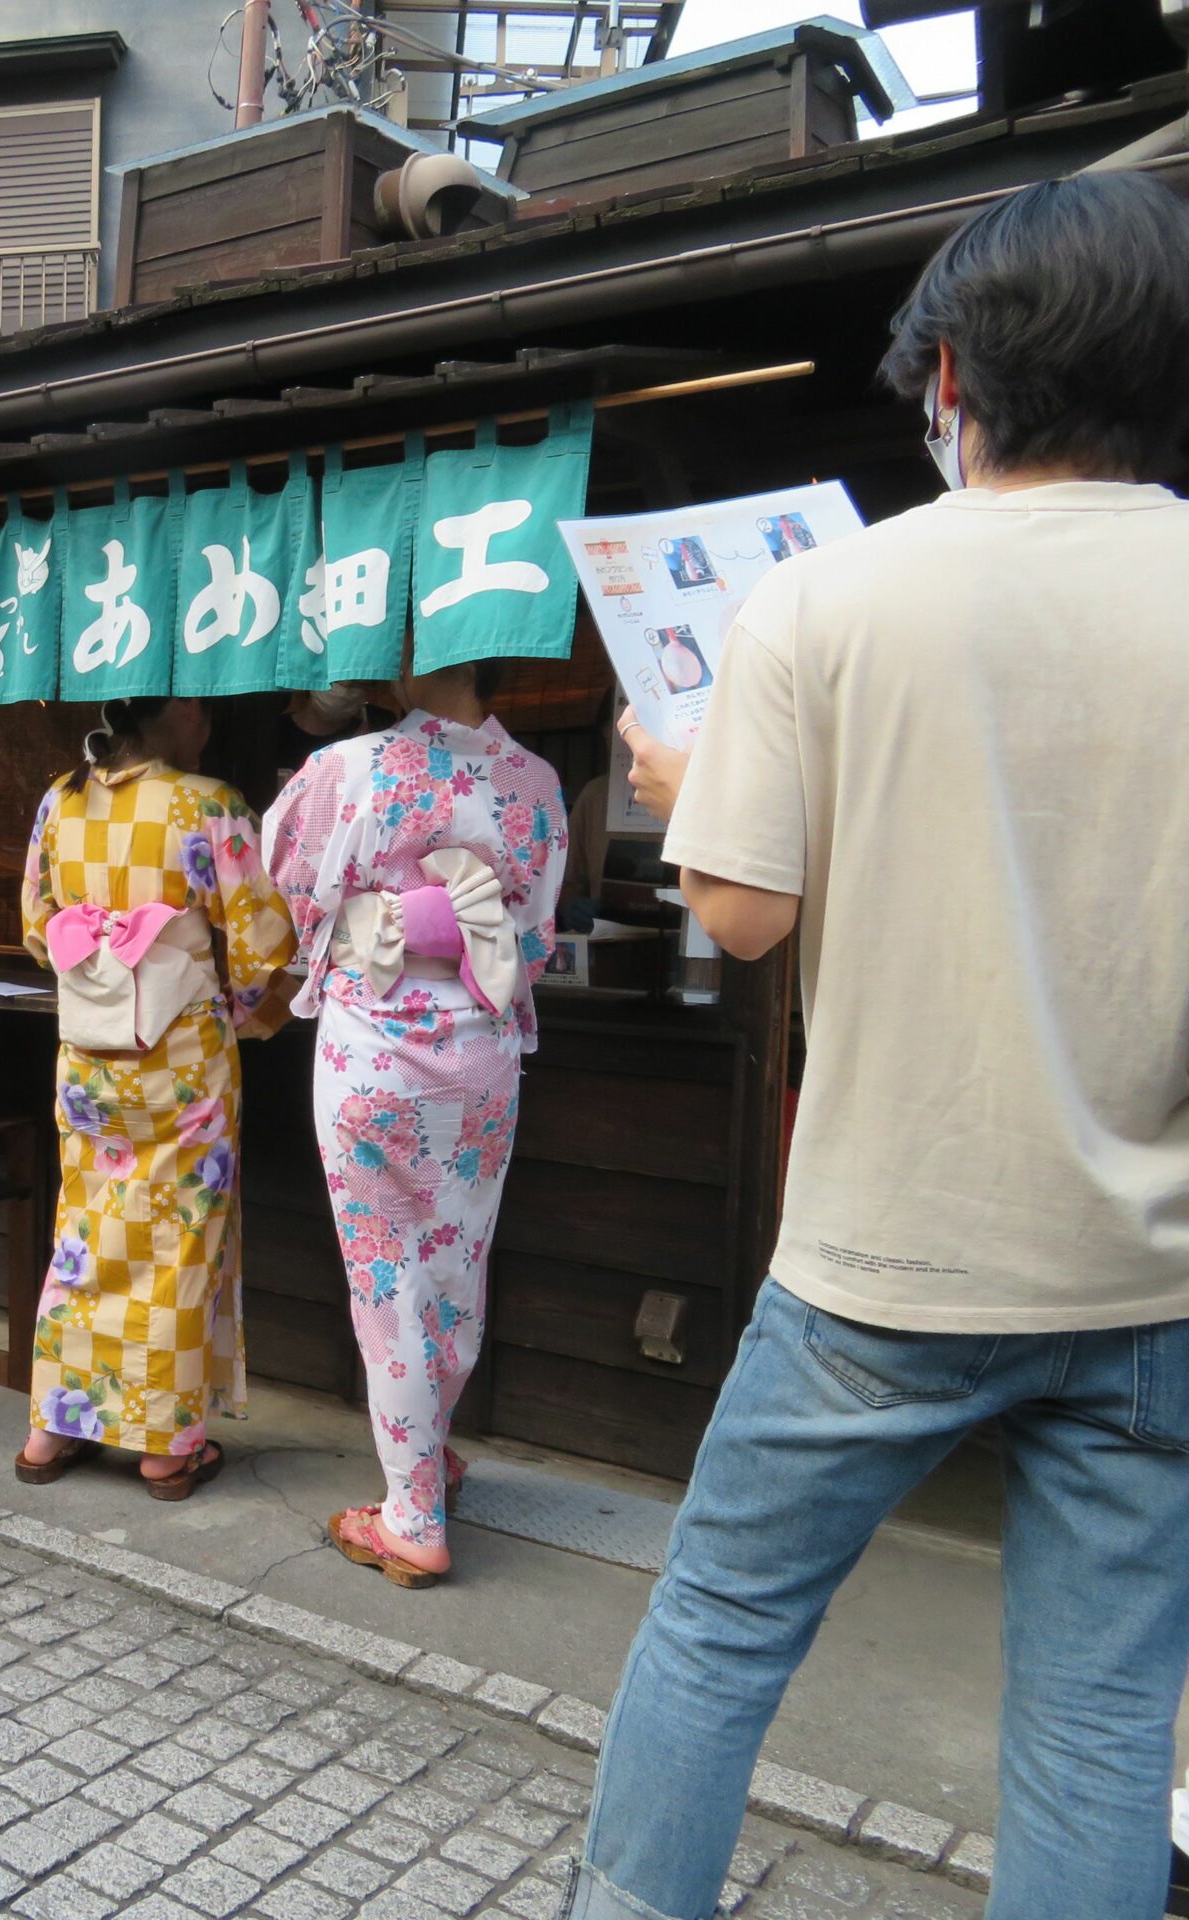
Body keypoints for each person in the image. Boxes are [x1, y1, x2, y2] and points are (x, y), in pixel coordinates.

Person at [572, 174, 1189, 1920]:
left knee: (718, 1626)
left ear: (954, 385)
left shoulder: (829, 603)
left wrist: (696, 785)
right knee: (1094, 1721)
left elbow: (743, 914)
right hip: (1152, 1279)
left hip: (882, 1263)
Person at [262, 664, 565, 1586]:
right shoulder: (537, 783)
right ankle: (425, 1455)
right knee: (454, 1263)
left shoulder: (346, 769)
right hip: (480, 1054)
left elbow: (288, 885)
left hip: (374, 1052)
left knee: (384, 1277)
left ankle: (412, 1514)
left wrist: (375, 913)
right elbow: (537, 937)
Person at [14, 697, 295, 1497]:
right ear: (163, 713)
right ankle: (165, 1448)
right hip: (180, 1055)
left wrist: (99, 949)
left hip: (90, 1050)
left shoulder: (58, 801)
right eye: (196, 705)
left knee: (86, 1224)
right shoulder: (209, 804)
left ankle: (51, 1426)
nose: (205, 718)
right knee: (177, 1238)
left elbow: (39, 928)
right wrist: (241, 1009)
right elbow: (262, 943)